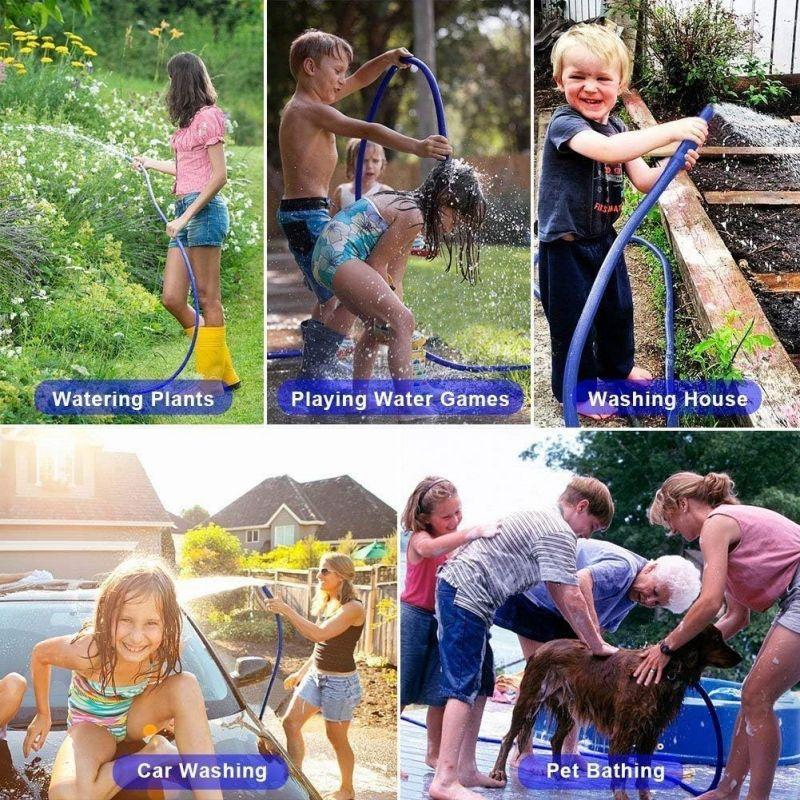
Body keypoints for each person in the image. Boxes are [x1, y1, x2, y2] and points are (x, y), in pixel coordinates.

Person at [538, 23, 707, 412]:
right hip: (564, 249)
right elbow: (610, 151)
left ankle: (618, 369)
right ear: (559, 80)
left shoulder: (614, 126)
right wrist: (674, 129)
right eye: (577, 77)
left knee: (618, 310)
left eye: (602, 78)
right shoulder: (566, 125)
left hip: (603, 241)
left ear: (621, 84)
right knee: (573, 325)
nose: (590, 87)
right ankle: (577, 393)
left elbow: (644, 180)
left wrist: (672, 163)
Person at [429, 476, 620, 800]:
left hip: (466, 596)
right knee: (462, 686)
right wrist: (597, 645)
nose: (589, 534)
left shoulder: (544, 519)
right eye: (594, 526)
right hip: (465, 596)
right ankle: (444, 780)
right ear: (581, 507)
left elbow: (559, 589)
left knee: (483, 684)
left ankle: (466, 769)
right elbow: (572, 596)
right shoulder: (559, 531)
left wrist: (586, 638)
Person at [277, 29, 452, 378]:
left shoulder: (317, 102)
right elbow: (367, 130)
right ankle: (317, 369)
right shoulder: (307, 109)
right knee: (340, 292)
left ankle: (318, 364)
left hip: (310, 211)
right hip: (304, 214)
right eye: (336, 71)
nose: (343, 80)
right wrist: (417, 146)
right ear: (311, 67)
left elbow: (359, 79)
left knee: (334, 292)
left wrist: (387, 60)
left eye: (344, 72)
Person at [635, 471, 800, 800]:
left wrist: (667, 647)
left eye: (670, 521)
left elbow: (709, 604)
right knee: (752, 696)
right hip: (793, 597)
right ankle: (727, 791)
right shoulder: (726, 534)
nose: (673, 531)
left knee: (757, 695)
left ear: (683, 505)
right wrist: (683, 653)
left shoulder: (716, 524)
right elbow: (736, 616)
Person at [23, 558, 222, 800]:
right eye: (126, 620)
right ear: (108, 615)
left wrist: (169, 712)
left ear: (166, 624)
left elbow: (156, 684)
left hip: (135, 722)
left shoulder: (166, 648)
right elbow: (40, 654)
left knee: (186, 683)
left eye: (151, 623)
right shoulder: (88, 651)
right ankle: (153, 754)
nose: (137, 637)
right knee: (66, 795)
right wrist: (43, 714)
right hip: (92, 726)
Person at [493, 538, 701, 761]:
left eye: (658, 602)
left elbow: (599, 628)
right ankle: (523, 752)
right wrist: (593, 640)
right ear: (651, 568)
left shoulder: (631, 597)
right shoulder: (624, 567)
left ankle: (570, 751)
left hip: (563, 607)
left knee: (577, 679)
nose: (649, 600)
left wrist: (598, 651)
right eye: (655, 591)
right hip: (533, 598)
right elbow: (582, 580)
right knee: (537, 683)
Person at [312, 159, 486, 380]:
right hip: (338, 255)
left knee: (378, 327)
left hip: (328, 256)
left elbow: (395, 276)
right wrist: (401, 322)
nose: (458, 224)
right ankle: (405, 406)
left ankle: (359, 398)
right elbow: (376, 264)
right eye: (458, 215)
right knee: (402, 320)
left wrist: (394, 313)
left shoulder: (409, 209)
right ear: (444, 200)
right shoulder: (413, 216)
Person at [132, 52, 238, 390]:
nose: (168, 87)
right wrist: (149, 162)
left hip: (203, 212)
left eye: (171, 79)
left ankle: (211, 380)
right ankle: (223, 370)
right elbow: (189, 170)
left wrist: (186, 218)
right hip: (184, 210)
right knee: (172, 298)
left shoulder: (210, 117)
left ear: (182, 80)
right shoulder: (189, 124)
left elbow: (219, 176)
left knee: (208, 298)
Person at [400, 477, 499, 771]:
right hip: (414, 619)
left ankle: (433, 754)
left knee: (438, 694)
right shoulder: (420, 539)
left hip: (442, 620)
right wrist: (473, 532)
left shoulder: (451, 543)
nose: (455, 520)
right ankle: (396, 758)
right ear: (424, 518)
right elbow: (432, 549)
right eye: (446, 516)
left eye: (458, 512)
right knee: (405, 686)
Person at [259, 553, 366, 800]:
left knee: (336, 738)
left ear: (340, 575)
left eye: (324, 571)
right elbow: (323, 646)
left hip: (340, 683)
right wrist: (301, 671)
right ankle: (295, 780)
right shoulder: (331, 602)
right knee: (290, 722)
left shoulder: (353, 608)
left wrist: (286, 610)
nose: (319, 575)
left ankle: (347, 790)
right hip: (317, 675)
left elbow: (318, 634)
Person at [331, 139, 391, 216]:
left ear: (382, 163)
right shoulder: (341, 192)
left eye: (375, 161)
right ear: (352, 163)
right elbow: (332, 223)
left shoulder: (385, 193)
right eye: (363, 161)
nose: (369, 166)